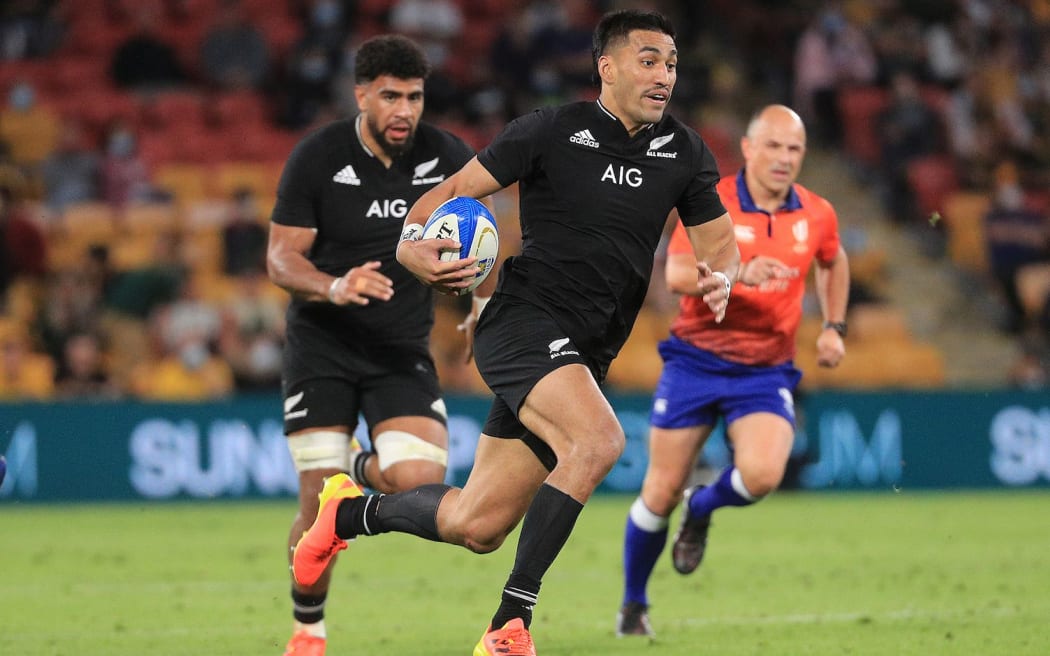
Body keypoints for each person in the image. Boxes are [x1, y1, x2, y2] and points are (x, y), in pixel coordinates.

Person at [290, 10, 740, 655]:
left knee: (478, 524)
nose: (664, 75)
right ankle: (510, 626)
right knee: (599, 440)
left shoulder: (685, 151)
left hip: (587, 350)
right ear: (606, 67)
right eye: (648, 60)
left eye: (671, 63)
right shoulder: (551, 130)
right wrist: (414, 247)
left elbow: (719, 246)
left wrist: (723, 276)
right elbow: (441, 197)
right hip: (523, 320)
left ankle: (346, 514)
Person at [265, 34, 477, 656]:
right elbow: (280, 259)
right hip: (322, 345)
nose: (404, 110)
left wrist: (481, 309)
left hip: (399, 347)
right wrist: (334, 285)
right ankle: (308, 628)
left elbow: (487, 232)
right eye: (389, 96)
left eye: (413, 96)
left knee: (422, 480)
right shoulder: (319, 156)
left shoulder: (447, 157)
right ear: (361, 95)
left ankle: (355, 468)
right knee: (314, 502)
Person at [616, 104, 850, 638]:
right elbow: (675, 273)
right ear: (748, 148)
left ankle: (703, 506)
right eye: (773, 146)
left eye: (793, 149)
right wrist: (738, 273)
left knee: (764, 475)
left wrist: (834, 324)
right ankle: (633, 605)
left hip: (765, 370)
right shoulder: (710, 201)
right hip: (696, 359)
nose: (783, 158)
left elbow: (833, 261)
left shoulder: (817, 213)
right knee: (659, 490)